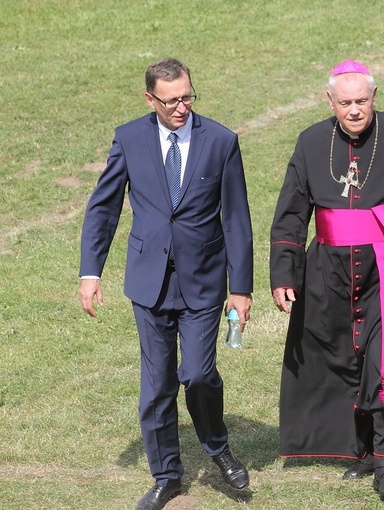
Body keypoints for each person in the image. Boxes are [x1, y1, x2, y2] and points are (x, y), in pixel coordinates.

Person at [79, 58, 253, 510]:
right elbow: (104, 209)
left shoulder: (221, 141)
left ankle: (218, 449)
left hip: (204, 282)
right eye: (171, 99)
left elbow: (236, 218)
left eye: (187, 96)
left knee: (197, 374)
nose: (181, 106)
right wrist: (90, 272)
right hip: (149, 282)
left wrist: (242, 288)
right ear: (150, 99)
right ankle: (167, 475)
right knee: (157, 385)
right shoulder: (130, 138)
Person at [269, 59, 384, 498]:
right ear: (330, 101)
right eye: (345, 103)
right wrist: (284, 273)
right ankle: (361, 448)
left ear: (375, 97)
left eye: (362, 100)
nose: (354, 110)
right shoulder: (311, 142)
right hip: (328, 272)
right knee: (343, 356)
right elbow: (291, 212)